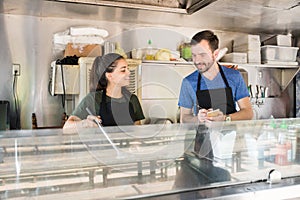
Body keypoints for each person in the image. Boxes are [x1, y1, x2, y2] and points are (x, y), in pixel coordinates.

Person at [178, 30, 253, 123]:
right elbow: (184, 118)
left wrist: (225, 118)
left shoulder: (234, 76)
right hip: (203, 137)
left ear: (215, 54)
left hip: (230, 136)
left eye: (202, 55)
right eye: (194, 55)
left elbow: (248, 113)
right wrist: (198, 119)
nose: (197, 61)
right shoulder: (188, 82)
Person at [63, 53, 145, 133]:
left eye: (128, 69)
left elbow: (136, 131)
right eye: (123, 70)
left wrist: (135, 144)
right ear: (109, 76)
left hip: (125, 147)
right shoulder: (93, 99)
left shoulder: (132, 99)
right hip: (103, 146)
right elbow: (66, 128)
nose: (129, 73)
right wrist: (84, 123)